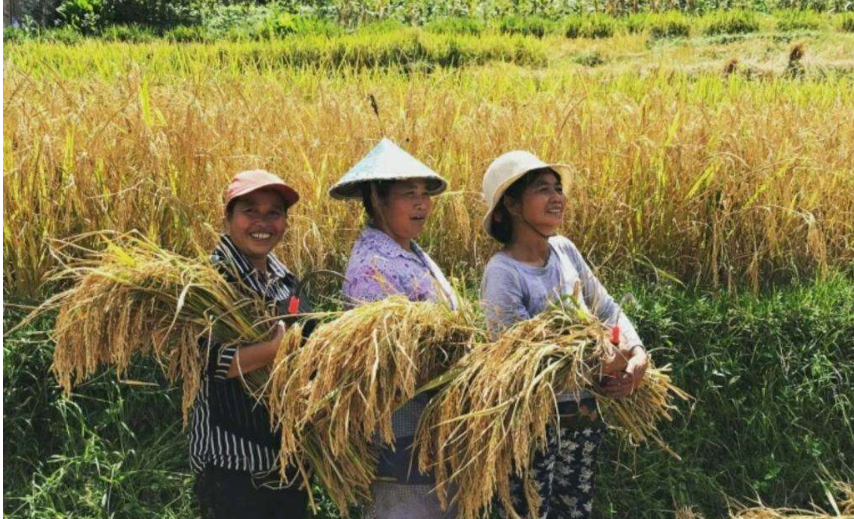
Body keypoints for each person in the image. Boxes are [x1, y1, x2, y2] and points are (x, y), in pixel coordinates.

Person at [480, 151, 649, 519]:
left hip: (582, 421)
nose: (557, 197)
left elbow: (607, 309)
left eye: (558, 188)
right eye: (543, 189)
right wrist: (599, 363)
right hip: (532, 429)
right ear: (511, 204)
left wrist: (636, 353)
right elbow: (516, 362)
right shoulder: (503, 273)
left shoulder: (564, 250)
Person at [329, 138, 458, 519]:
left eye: (424, 194)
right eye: (408, 194)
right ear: (378, 199)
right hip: (401, 427)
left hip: (436, 423)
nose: (422, 204)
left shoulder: (410, 250)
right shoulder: (372, 266)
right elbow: (383, 363)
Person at [189, 169, 309, 519]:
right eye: (250, 211)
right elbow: (204, 363)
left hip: (287, 461)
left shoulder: (286, 281)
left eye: (274, 213)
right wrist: (275, 350)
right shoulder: (208, 283)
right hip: (233, 466)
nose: (263, 223)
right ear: (227, 217)